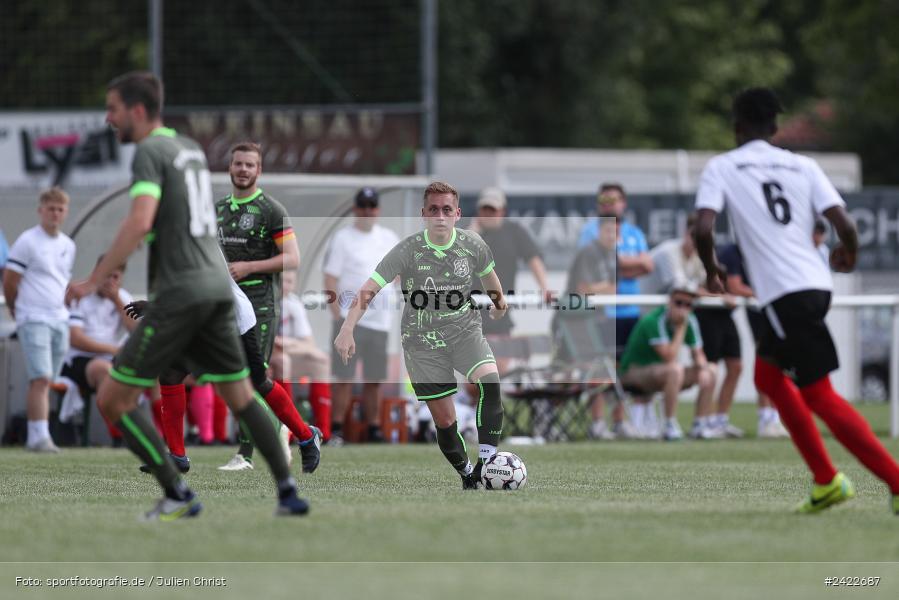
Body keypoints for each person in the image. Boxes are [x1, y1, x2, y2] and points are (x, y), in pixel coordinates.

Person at [66, 71, 308, 519]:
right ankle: (288, 493)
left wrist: (93, 278)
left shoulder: (150, 152)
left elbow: (140, 220)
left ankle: (177, 494)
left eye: (114, 108)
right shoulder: (188, 149)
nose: (109, 117)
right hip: (221, 292)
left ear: (137, 111)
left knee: (113, 398)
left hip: (183, 293)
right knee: (240, 394)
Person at [693, 86, 899, 514]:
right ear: (775, 127)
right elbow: (843, 222)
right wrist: (849, 254)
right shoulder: (802, 165)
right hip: (815, 285)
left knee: (820, 395)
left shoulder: (724, 166)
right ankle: (825, 481)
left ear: (736, 127)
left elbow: (704, 226)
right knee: (768, 379)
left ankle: (893, 482)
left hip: (786, 294)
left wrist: (712, 271)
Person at [334, 181, 508, 489]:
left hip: (465, 331)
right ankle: (468, 473)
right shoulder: (407, 250)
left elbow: (490, 280)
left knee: (490, 385)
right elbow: (368, 290)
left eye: (446, 210)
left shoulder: (473, 244)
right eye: (433, 210)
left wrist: (498, 305)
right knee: (445, 420)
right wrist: (347, 329)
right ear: (423, 214)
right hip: (421, 341)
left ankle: (486, 466)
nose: (440, 216)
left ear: (457, 213)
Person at [215, 141, 316, 470]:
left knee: (250, 377)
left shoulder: (271, 209)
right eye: (238, 164)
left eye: (250, 165)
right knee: (230, 376)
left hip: (258, 304)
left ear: (259, 170)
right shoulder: (217, 210)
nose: (243, 169)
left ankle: (245, 454)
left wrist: (248, 267)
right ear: (230, 168)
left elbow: (293, 259)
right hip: (223, 305)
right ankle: (302, 433)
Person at [653, 214, 741, 439]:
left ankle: (699, 423)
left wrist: (702, 367)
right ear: (685, 234)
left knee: (707, 369)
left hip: (671, 319)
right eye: (696, 237)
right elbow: (682, 289)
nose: (699, 242)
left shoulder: (687, 317)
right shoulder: (668, 253)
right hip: (648, 317)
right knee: (670, 367)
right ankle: (661, 423)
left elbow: (704, 285)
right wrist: (722, 297)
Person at [323, 187, 399, 444]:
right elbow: (330, 278)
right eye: (363, 206)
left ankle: (374, 428)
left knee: (374, 378)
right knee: (343, 377)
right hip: (349, 320)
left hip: (380, 321)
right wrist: (338, 318)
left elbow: (399, 275)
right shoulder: (342, 238)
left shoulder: (388, 237)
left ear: (377, 209)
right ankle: (336, 429)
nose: (367, 211)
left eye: (372, 206)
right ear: (356, 208)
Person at [3, 187, 76, 453]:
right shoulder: (27, 241)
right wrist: (16, 307)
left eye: (60, 209)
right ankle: (39, 437)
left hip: (59, 318)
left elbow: (62, 281)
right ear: (40, 210)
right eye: (50, 208)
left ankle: (38, 433)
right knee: (41, 378)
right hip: (33, 316)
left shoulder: (68, 245)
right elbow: (10, 280)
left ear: (65, 212)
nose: (55, 214)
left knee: (49, 378)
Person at [578, 183, 652, 438]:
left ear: (624, 203)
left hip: (628, 310)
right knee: (600, 366)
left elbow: (647, 265)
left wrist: (620, 264)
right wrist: (629, 265)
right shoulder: (590, 231)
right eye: (605, 199)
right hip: (602, 310)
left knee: (622, 367)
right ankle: (598, 422)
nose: (610, 204)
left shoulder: (634, 232)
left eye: (616, 199)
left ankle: (619, 421)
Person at [618, 282, 718, 441]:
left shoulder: (691, 320)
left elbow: (698, 354)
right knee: (675, 369)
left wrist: (703, 368)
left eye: (688, 304)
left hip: (663, 372)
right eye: (679, 303)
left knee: (712, 370)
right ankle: (669, 424)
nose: (683, 308)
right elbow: (669, 356)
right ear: (670, 301)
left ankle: (700, 423)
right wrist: (680, 329)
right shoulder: (654, 320)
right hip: (633, 372)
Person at [62, 256, 139, 445]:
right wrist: (113, 349)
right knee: (104, 370)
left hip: (112, 358)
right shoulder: (81, 294)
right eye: (106, 275)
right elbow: (76, 339)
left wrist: (117, 302)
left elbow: (137, 332)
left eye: (115, 277)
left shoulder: (123, 297)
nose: (110, 282)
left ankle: (164, 438)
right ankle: (119, 436)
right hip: (79, 360)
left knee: (154, 375)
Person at [717, 242, 789, 438]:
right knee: (765, 360)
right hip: (753, 309)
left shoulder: (767, 245)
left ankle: (772, 417)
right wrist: (763, 294)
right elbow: (734, 286)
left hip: (768, 306)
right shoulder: (732, 251)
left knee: (776, 361)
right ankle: (764, 418)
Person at [559, 217, 618, 439]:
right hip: (573, 322)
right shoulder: (589, 252)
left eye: (615, 232)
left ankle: (602, 423)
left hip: (594, 320)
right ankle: (550, 419)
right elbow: (584, 289)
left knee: (602, 367)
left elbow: (605, 288)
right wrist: (609, 288)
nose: (611, 235)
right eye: (608, 230)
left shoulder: (608, 255)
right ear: (598, 231)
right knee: (568, 371)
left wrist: (606, 288)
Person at [271, 269, 332, 441]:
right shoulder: (266, 301)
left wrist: (288, 344)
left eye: (290, 281)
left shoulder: (294, 304)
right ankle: (288, 429)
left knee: (320, 363)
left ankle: (323, 432)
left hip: (286, 354)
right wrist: (285, 344)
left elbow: (308, 343)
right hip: (267, 358)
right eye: (283, 280)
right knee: (284, 361)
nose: (286, 285)